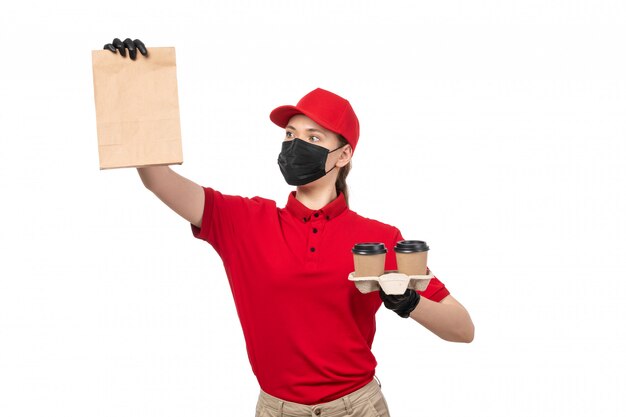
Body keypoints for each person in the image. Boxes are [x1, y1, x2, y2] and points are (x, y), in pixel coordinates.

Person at [104, 38, 474, 417]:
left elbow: (462, 329)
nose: (296, 146)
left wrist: (409, 301)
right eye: (290, 135)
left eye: (314, 137)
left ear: (344, 155)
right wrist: (135, 86)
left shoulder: (379, 238)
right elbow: (156, 178)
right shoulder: (242, 221)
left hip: (358, 407)